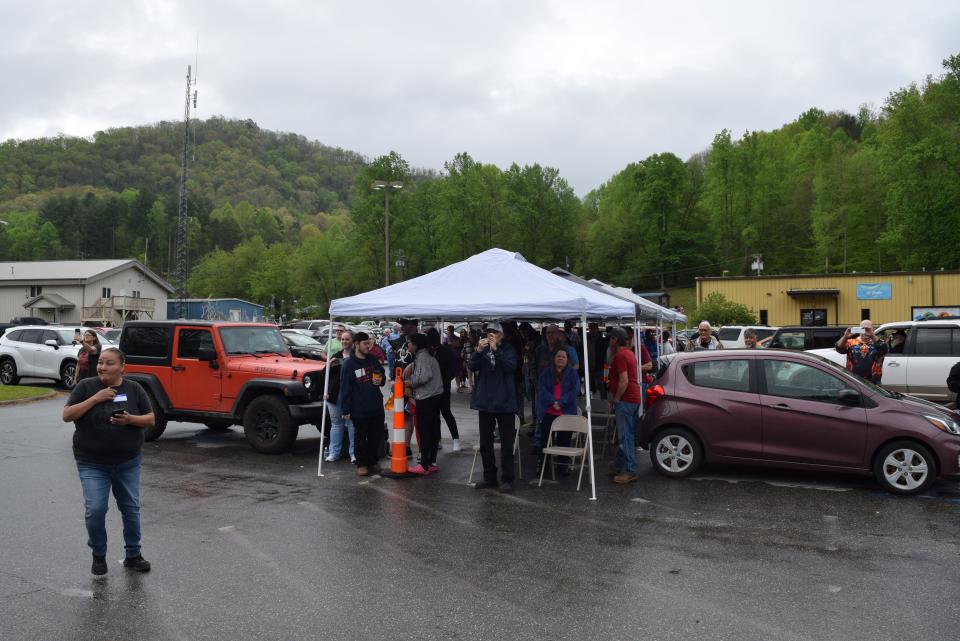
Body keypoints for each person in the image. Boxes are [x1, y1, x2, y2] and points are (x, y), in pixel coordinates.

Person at [62, 347, 155, 576]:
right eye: (101, 362)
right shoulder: (86, 387)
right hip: (92, 462)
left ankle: (133, 554)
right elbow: (67, 415)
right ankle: (99, 555)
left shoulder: (134, 388)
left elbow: (151, 419)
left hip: (127, 462)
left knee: (130, 509)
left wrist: (130, 419)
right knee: (95, 509)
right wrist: (96, 398)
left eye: (109, 363)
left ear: (122, 367)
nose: (103, 367)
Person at [469, 322, 519, 493]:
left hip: (505, 403)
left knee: (506, 444)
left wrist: (497, 350)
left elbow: (511, 367)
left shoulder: (508, 349)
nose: (490, 335)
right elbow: (472, 366)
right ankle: (489, 477)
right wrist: (477, 351)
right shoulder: (482, 349)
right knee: (485, 443)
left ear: (501, 335)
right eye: (488, 332)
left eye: (494, 332)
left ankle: (507, 479)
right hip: (486, 402)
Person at [339, 332, 387, 476]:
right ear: (357, 344)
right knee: (360, 437)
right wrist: (345, 410)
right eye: (365, 344)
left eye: (369, 343)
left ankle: (372, 461)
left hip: (376, 406)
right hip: (359, 408)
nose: (368, 346)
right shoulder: (349, 364)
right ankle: (361, 463)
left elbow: (382, 375)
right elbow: (345, 388)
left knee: (376, 436)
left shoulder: (372, 359)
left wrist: (381, 380)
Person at [404, 333, 444, 474]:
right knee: (432, 431)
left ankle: (424, 465)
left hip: (427, 398)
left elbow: (424, 376)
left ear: (416, 344)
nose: (407, 344)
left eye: (409, 342)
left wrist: (409, 382)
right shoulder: (425, 356)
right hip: (434, 397)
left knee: (425, 432)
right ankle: (431, 462)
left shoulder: (423, 357)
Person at [535, 348, 581, 472]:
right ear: (554, 359)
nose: (560, 358)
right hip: (548, 411)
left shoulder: (572, 373)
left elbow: (575, 390)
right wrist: (552, 401)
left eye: (563, 357)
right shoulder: (546, 372)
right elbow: (541, 389)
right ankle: (543, 465)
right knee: (545, 440)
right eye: (558, 356)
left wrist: (561, 403)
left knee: (564, 440)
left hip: (566, 412)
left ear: (567, 360)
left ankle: (563, 466)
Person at [608, 327, 642, 484]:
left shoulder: (620, 356)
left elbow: (624, 380)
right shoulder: (630, 353)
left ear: (615, 340)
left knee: (625, 436)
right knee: (628, 434)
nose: (609, 341)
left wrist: (616, 398)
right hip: (634, 399)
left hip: (626, 400)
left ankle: (630, 470)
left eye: (611, 338)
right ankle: (618, 464)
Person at [426, 327, 462, 452]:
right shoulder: (428, 352)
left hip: (443, 387)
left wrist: (444, 381)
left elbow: (453, 369)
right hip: (431, 388)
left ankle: (456, 439)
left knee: (446, 413)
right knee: (435, 415)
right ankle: (438, 440)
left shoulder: (446, 351)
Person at [323, 329, 355, 463]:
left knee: (353, 424)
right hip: (335, 395)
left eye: (347, 339)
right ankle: (334, 453)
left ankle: (354, 453)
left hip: (352, 395)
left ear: (353, 341)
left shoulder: (356, 357)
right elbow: (325, 374)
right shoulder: (336, 355)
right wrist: (329, 365)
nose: (344, 341)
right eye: (342, 339)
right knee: (336, 424)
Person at [836, 319, 888, 384]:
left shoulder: (878, 343)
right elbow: (839, 349)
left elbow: (884, 350)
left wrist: (872, 335)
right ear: (859, 329)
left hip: (874, 383)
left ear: (873, 329)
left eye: (868, 329)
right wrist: (845, 337)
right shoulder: (851, 342)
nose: (865, 331)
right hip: (853, 380)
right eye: (863, 329)